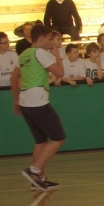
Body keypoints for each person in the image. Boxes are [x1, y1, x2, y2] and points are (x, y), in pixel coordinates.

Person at [10, 24, 66, 191]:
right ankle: (34, 169)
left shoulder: (23, 54)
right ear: (41, 39)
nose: (50, 42)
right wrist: (56, 53)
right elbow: (60, 73)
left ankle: (37, 180)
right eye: (49, 39)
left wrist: (16, 100)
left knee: (40, 141)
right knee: (58, 137)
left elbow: (13, 79)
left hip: (25, 102)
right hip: (38, 101)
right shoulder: (40, 53)